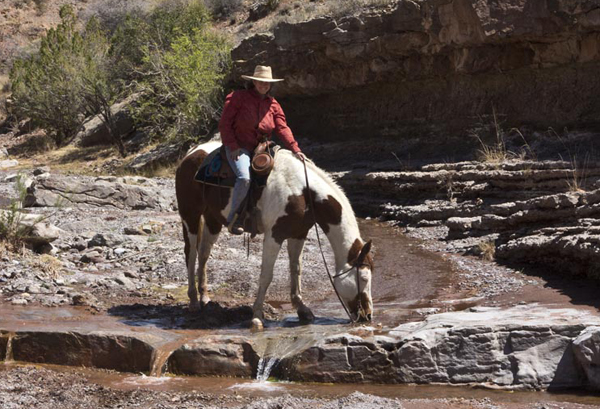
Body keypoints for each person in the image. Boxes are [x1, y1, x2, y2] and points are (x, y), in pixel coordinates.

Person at [219, 65, 306, 235]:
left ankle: (270, 213)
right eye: (260, 82)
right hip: (240, 146)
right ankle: (234, 217)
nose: (263, 85)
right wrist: (233, 146)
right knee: (244, 178)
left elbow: (282, 128)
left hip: (262, 148)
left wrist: (295, 148)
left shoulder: (273, 104)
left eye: (267, 83)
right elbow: (225, 124)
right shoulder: (238, 97)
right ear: (253, 81)